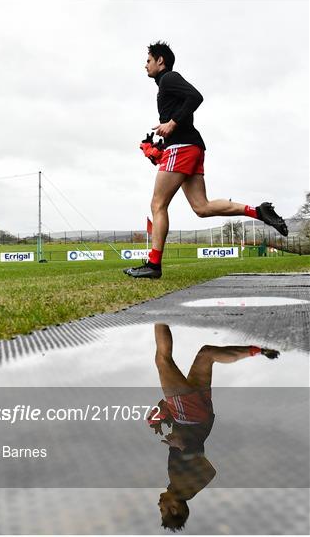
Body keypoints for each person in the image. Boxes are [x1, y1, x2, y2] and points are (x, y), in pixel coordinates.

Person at [124, 41, 289, 279]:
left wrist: (171, 124)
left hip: (183, 148)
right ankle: (258, 212)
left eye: (148, 60)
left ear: (160, 60)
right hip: (189, 147)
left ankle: (154, 265)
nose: (145, 65)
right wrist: (160, 149)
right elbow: (183, 118)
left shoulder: (169, 78)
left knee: (157, 205)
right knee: (202, 207)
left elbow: (196, 97)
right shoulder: (165, 86)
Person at [149, 324, 279, 531]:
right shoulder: (183, 488)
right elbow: (208, 471)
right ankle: (156, 315)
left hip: (201, 418)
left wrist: (163, 417)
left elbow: (204, 469)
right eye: (163, 510)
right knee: (163, 359)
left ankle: (257, 350)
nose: (159, 505)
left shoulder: (182, 487)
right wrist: (183, 447)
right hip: (189, 418)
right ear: (174, 509)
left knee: (206, 354)